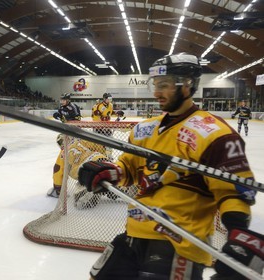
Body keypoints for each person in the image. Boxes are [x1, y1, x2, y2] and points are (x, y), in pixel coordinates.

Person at [77, 53, 263, 279]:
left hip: (180, 243)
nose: (156, 92)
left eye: (164, 85)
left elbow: (232, 189)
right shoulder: (144, 129)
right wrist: (109, 172)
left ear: (187, 85)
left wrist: (238, 232)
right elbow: (129, 168)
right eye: (155, 85)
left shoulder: (215, 133)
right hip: (134, 234)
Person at [48, 93, 81, 198]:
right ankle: (60, 187)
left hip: (72, 135)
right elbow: (61, 115)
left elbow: (78, 120)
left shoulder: (73, 107)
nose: (61, 102)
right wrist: (57, 115)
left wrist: (68, 121)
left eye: (63, 100)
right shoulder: (62, 107)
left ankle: (60, 189)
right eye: (61, 100)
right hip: (66, 134)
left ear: (68, 100)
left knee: (63, 162)